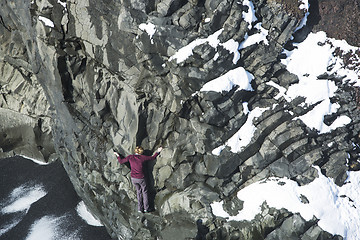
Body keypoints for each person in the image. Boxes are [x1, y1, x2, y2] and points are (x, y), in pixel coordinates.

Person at [114, 146, 163, 213]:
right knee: (145, 192)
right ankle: (146, 208)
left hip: (134, 178)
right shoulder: (142, 157)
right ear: (141, 152)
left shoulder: (130, 157)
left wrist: (117, 155)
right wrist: (158, 151)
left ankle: (140, 209)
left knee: (138, 192)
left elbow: (121, 161)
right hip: (141, 178)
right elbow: (152, 158)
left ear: (135, 151)